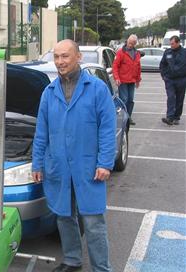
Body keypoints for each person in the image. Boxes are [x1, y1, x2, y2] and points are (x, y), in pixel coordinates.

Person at [32, 40, 116, 272]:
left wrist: (105, 163)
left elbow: (107, 129)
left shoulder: (97, 88)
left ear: (78, 57)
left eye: (65, 56)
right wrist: (37, 163)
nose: (60, 61)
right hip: (58, 167)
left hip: (88, 167)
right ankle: (72, 259)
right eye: (57, 57)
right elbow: (42, 132)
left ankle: (102, 268)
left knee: (93, 222)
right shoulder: (49, 92)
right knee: (64, 217)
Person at [112, 34, 141, 125]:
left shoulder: (137, 54)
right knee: (124, 99)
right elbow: (115, 66)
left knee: (131, 100)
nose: (130, 45)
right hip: (123, 80)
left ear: (135, 44)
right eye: (129, 43)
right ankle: (123, 118)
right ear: (127, 41)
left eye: (132, 43)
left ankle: (128, 117)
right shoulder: (120, 52)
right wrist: (116, 78)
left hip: (132, 81)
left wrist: (138, 80)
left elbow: (138, 67)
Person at [159, 35, 186, 125]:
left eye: (173, 44)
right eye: (170, 44)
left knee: (179, 99)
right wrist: (164, 76)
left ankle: (176, 117)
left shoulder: (184, 52)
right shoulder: (167, 52)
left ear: (178, 43)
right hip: (170, 80)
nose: (171, 45)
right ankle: (169, 117)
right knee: (171, 97)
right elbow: (162, 64)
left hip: (181, 79)